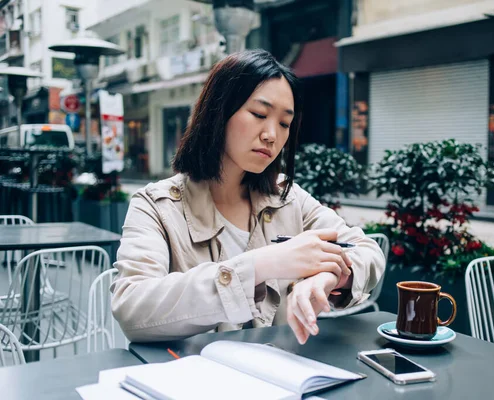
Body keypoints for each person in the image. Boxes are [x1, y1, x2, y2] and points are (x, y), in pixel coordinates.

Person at [111, 49, 385, 344]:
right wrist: (263, 264)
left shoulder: (288, 197)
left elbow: (367, 250)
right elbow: (132, 305)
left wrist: (327, 278)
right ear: (219, 111)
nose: (272, 135)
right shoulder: (156, 206)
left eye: (284, 124)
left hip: (280, 377)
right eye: (259, 114)